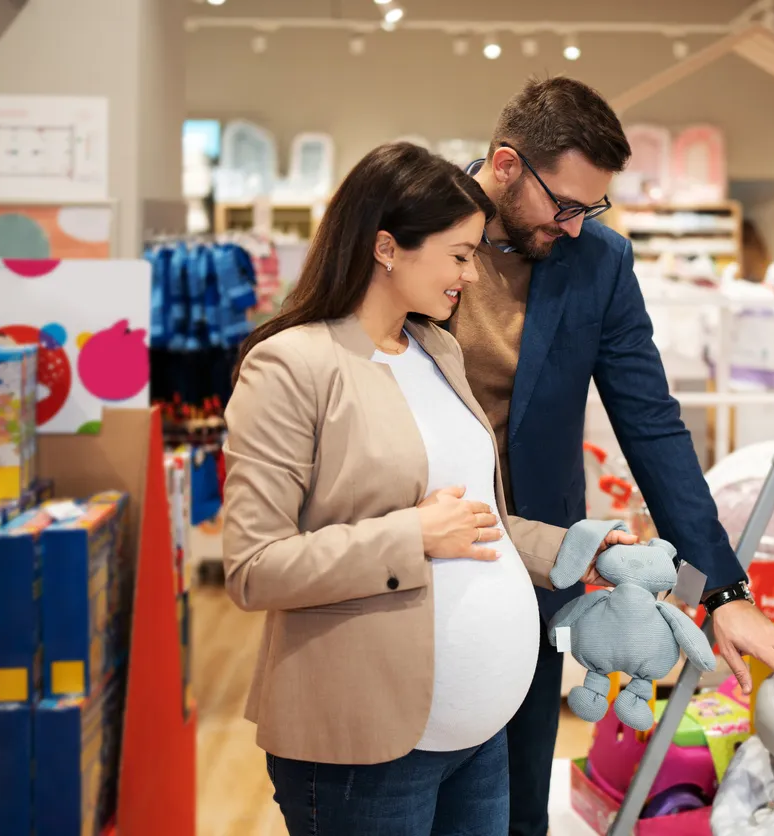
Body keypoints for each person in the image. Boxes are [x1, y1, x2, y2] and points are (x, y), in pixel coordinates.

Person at [447, 77, 774, 836]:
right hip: (419, 554)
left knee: (521, 804)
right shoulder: (417, 223)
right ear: (503, 165)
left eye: (594, 209)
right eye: (565, 205)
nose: (578, 226)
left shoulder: (598, 261)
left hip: (535, 562)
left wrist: (723, 592)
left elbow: (651, 424)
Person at [221, 142, 635, 835]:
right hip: (367, 742)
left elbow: (477, 518)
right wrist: (408, 536)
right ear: (387, 247)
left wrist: (577, 550)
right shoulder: (291, 366)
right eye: (458, 255)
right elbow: (254, 568)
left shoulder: (435, 349)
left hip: (476, 737)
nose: (471, 277)